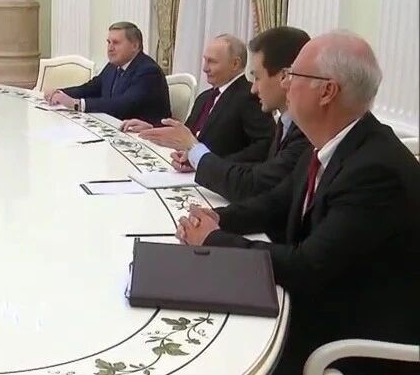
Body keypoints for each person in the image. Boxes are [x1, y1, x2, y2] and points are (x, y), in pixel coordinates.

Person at [175, 31, 420, 375]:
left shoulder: (376, 170)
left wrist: (215, 240)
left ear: (327, 91)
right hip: (317, 301)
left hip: (351, 337)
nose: (286, 83)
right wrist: (218, 217)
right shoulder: (328, 142)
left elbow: (307, 266)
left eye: (294, 75)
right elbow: (275, 203)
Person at [171, 27, 312, 202]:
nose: (254, 88)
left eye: (257, 77)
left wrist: (198, 152)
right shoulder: (286, 124)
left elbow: (258, 182)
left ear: (285, 77)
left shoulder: (307, 132)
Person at [133, 34, 274, 163]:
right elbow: (187, 134)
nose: (205, 68)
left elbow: (264, 147)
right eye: (205, 61)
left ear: (235, 64)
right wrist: (153, 128)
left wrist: (212, 165)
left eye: (212, 62)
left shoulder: (249, 96)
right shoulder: (205, 97)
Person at [44, 22, 171, 124]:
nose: (110, 48)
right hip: (116, 128)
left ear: (135, 46)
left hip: (145, 138)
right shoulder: (113, 66)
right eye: (108, 42)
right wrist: (60, 93)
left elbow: (122, 105)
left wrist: (77, 104)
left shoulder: (148, 71)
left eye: (116, 43)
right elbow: (91, 88)